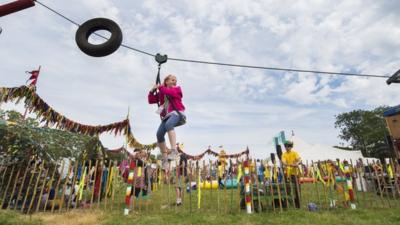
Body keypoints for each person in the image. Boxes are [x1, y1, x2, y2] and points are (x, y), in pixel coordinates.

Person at [148, 74, 186, 170]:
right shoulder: (162, 93)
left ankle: (174, 150)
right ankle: (165, 159)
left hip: (177, 113)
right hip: (167, 116)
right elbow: (151, 100)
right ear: (166, 81)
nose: (175, 82)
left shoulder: (177, 89)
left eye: (175, 80)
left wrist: (160, 87)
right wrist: (152, 91)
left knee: (169, 124)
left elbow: (171, 93)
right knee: (159, 134)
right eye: (172, 80)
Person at [281, 140, 301, 208]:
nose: (287, 147)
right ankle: (286, 204)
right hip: (287, 174)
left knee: (297, 189)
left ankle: (298, 204)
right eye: (286, 146)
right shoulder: (284, 154)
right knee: (287, 189)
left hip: (295, 174)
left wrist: (296, 164)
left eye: (289, 146)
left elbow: (299, 159)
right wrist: (287, 164)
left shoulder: (294, 153)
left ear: (291, 147)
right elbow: (283, 161)